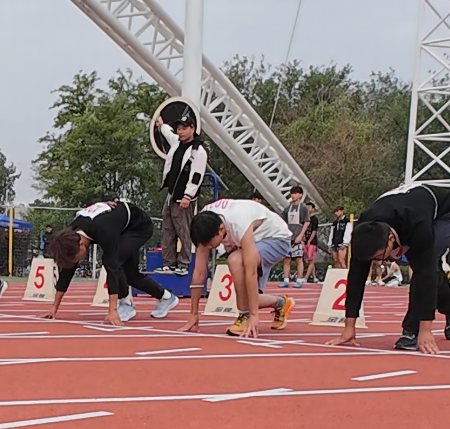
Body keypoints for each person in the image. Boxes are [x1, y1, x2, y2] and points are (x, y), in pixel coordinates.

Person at [326, 183, 450, 354]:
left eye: (380, 256)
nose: (378, 261)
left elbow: (427, 274)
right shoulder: (363, 231)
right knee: (427, 265)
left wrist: (426, 330)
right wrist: (349, 327)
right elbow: (356, 278)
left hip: (446, 213)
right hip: (406, 210)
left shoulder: (416, 223)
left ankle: (411, 330)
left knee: (424, 265)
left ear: (391, 239)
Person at [44, 201, 179, 324]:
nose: (77, 261)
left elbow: (112, 266)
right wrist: (54, 308)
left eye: (76, 258)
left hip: (138, 227)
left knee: (111, 262)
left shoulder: (103, 230)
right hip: (120, 227)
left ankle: (125, 304)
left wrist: (112, 310)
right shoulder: (71, 235)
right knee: (130, 275)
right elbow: (67, 270)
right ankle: (166, 297)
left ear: (80, 244)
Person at [176, 199, 296, 337]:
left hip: (277, 239)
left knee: (235, 260)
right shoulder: (203, 225)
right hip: (254, 240)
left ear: (221, 229)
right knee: (247, 296)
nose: (209, 248)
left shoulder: (239, 223)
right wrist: (193, 313)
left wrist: (253, 315)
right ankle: (281, 303)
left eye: (210, 244)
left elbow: (250, 271)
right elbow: (199, 272)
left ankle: (244, 315)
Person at [153, 112, 207, 276]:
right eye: (179, 129)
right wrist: (161, 124)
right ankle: (168, 263)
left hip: (183, 198)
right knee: (168, 230)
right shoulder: (176, 142)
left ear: (192, 129)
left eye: (184, 128)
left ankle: (184, 264)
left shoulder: (198, 151)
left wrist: (188, 196)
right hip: (171, 195)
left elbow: (196, 176)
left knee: (184, 231)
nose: (181, 132)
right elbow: (168, 133)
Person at [279, 186, 309, 288]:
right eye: (292, 193)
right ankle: (286, 280)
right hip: (288, 237)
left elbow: (306, 222)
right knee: (286, 259)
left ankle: (299, 280)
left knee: (298, 259)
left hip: (298, 237)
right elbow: (282, 221)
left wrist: (300, 235)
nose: (293, 195)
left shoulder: (303, 208)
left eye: (295, 193)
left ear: (300, 195)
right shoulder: (288, 208)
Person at [302, 202, 320, 283]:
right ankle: (314, 276)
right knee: (309, 260)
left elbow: (314, 231)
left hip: (312, 242)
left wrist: (309, 240)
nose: (307, 209)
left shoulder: (314, 219)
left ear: (313, 209)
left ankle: (306, 277)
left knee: (311, 259)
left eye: (309, 207)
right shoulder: (305, 219)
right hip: (305, 241)